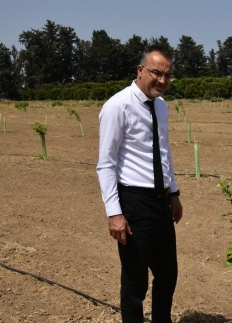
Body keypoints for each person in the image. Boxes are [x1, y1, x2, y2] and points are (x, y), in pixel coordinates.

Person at [97, 46, 183, 323]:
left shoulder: (161, 105)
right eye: (156, 73)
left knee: (167, 274)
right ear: (140, 70)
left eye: (167, 75)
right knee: (136, 280)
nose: (162, 80)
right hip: (133, 202)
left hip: (160, 201)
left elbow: (163, 151)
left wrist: (173, 192)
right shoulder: (117, 106)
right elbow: (106, 163)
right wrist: (114, 212)